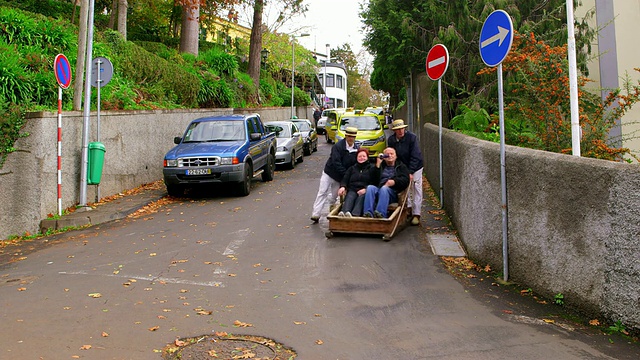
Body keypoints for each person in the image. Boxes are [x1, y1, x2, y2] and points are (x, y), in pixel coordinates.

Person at [310, 126, 359, 223]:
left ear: (355, 138)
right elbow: (336, 162)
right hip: (329, 172)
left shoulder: (356, 149)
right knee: (322, 191)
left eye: (353, 137)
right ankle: (316, 214)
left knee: (335, 195)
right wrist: (346, 175)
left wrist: (348, 177)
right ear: (346, 136)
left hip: (340, 177)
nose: (351, 138)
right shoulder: (338, 146)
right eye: (349, 136)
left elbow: (355, 165)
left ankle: (331, 209)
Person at [387, 119, 424, 226]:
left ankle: (416, 214)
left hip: (415, 166)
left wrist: (411, 172)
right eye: (398, 129)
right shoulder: (391, 140)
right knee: (403, 187)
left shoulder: (412, 138)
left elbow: (415, 156)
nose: (400, 131)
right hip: (402, 167)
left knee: (416, 188)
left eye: (402, 128)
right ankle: (407, 209)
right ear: (394, 131)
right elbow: (393, 155)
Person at [362, 147, 410, 219]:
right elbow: (372, 179)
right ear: (384, 157)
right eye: (387, 154)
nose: (390, 156)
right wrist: (377, 165)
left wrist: (394, 182)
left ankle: (380, 214)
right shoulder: (380, 165)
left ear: (396, 156)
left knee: (384, 188)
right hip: (379, 189)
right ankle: (368, 213)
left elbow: (405, 180)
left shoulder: (401, 167)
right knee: (370, 188)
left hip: (392, 192)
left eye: (392, 154)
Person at [337, 148, 376, 217]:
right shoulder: (352, 168)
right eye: (360, 156)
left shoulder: (372, 168)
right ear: (357, 158)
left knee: (361, 198)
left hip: (364, 190)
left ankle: (355, 215)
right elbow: (345, 179)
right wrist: (343, 187)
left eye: (364, 156)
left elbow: (374, 181)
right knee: (350, 196)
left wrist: (366, 189)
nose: (362, 158)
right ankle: (344, 212)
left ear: (367, 157)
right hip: (353, 189)